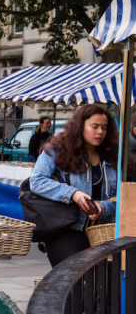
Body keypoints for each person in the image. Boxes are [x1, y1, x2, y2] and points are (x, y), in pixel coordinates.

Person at [30, 104, 118, 267]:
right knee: (75, 279)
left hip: (103, 232)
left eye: (104, 127)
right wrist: (73, 193)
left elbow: (123, 195)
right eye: (95, 126)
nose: (100, 132)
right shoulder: (57, 149)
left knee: (103, 283)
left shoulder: (113, 155)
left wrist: (103, 207)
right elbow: (37, 181)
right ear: (80, 126)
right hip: (65, 229)